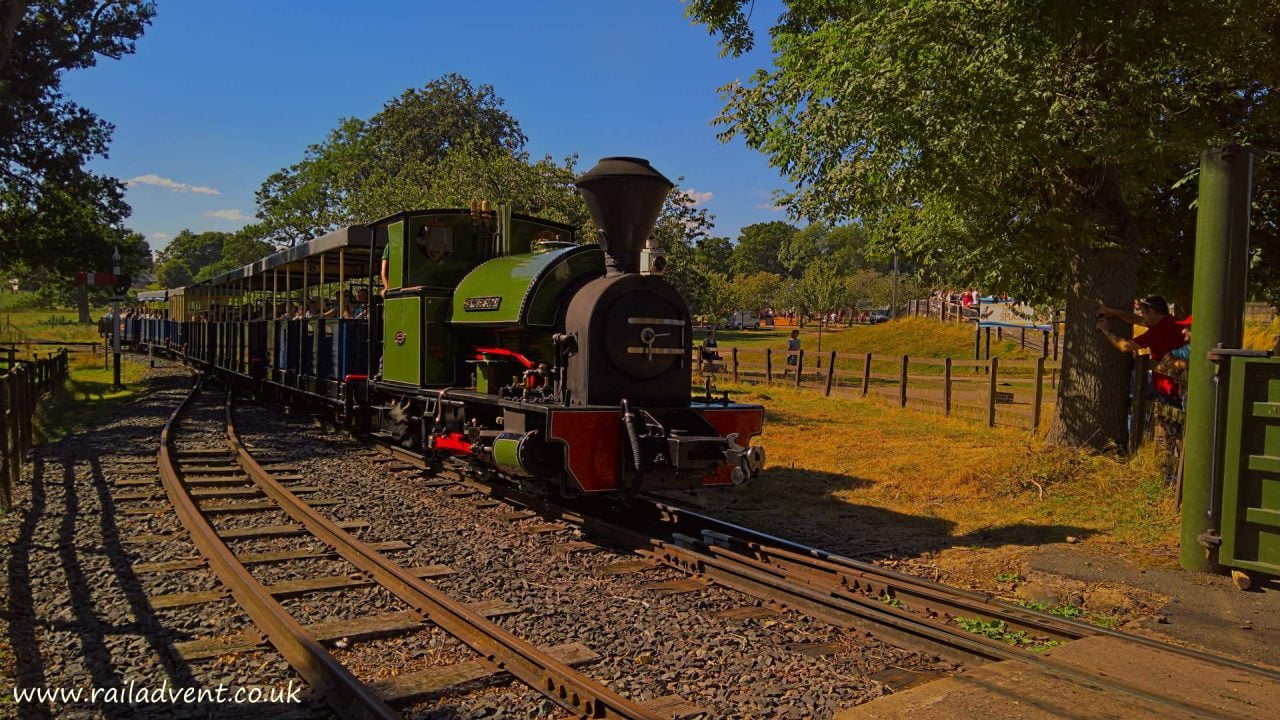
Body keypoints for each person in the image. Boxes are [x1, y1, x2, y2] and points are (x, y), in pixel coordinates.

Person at [1096, 296, 1187, 361]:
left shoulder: (1155, 332)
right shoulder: (1172, 321)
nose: (1141, 315)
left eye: (1143, 312)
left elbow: (1125, 346)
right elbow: (1138, 320)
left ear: (1151, 311)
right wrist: (1114, 313)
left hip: (1167, 382)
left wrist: (1106, 330)